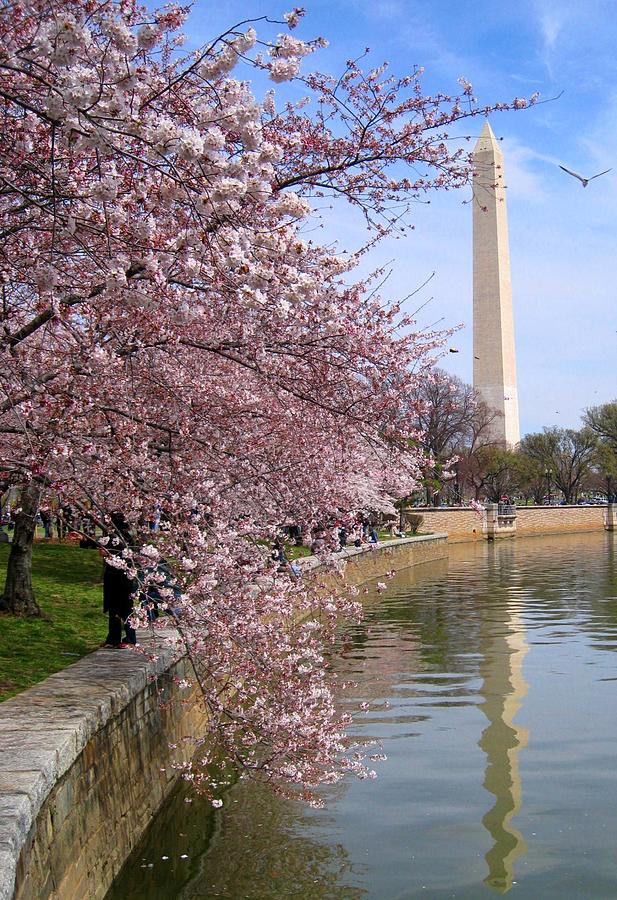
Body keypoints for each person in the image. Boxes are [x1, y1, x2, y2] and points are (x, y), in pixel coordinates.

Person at [100, 511, 137, 648]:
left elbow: (126, 556)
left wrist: (108, 554)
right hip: (115, 577)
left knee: (125, 608)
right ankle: (114, 638)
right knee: (115, 608)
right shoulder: (113, 538)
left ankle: (129, 639)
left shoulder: (122, 538)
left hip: (122, 577)